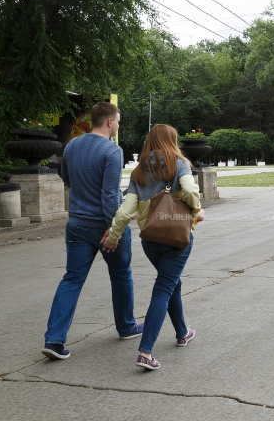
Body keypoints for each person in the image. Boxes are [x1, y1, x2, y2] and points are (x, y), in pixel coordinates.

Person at [42, 102, 141, 360]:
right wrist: (114, 230)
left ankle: (53, 340)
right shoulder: (112, 151)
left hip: (76, 223)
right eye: (117, 121)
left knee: (72, 279)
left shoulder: (72, 145)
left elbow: (66, 178)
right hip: (104, 224)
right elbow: (110, 195)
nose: (118, 125)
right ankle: (126, 326)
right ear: (109, 122)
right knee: (121, 275)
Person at [103, 124, 205, 370]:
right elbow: (190, 188)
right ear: (172, 140)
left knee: (171, 283)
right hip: (178, 238)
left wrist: (114, 236)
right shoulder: (178, 162)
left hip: (150, 240)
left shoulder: (140, 170)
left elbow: (126, 210)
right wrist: (198, 208)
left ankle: (182, 332)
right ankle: (145, 352)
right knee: (164, 288)